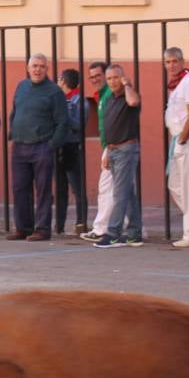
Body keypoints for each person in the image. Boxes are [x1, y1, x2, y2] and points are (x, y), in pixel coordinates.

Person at [7, 53, 67, 241]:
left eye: (41, 66)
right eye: (34, 66)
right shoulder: (22, 86)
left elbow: (62, 122)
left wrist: (51, 145)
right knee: (19, 188)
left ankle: (42, 229)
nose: (37, 69)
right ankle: (23, 227)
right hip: (19, 145)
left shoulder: (54, 91)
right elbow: (14, 111)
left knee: (42, 190)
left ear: (47, 69)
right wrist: (13, 131)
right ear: (28, 68)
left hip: (42, 146)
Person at [94, 65, 144, 248]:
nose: (112, 82)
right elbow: (108, 127)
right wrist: (107, 150)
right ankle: (134, 233)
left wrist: (128, 85)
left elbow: (133, 103)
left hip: (126, 149)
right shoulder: (110, 100)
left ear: (123, 78)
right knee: (128, 193)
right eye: (109, 79)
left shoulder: (129, 95)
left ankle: (113, 233)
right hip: (113, 150)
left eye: (116, 78)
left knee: (120, 193)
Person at [164, 47, 189, 248]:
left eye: (175, 61)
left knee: (187, 187)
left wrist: (182, 140)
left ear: (182, 61)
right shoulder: (176, 84)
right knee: (175, 185)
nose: (172, 65)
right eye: (168, 62)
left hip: (186, 139)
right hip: (178, 139)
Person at [80, 61, 113, 242]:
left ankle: (101, 228)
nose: (94, 79)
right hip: (111, 145)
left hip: (112, 146)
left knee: (106, 188)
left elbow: (112, 124)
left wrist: (108, 150)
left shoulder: (108, 95)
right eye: (91, 77)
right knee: (122, 190)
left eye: (98, 76)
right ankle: (134, 227)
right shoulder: (102, 95)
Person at [54, 68, 87, 235]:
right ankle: (58, 226)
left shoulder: (80, 101)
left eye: (59, 79)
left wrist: (63, 112)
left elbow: (78, 125)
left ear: (63, 81)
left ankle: (81, 223)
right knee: (60, 189)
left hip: (72, 147)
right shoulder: (57, 99)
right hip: (57, 147)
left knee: (77, 187)